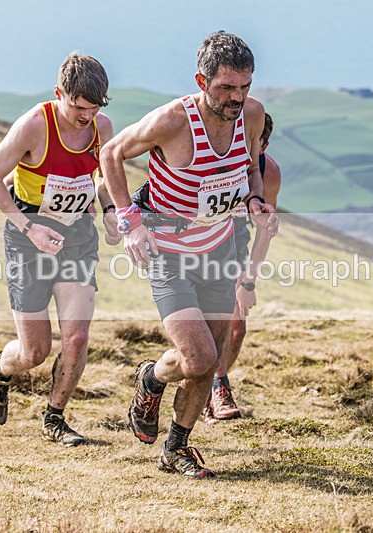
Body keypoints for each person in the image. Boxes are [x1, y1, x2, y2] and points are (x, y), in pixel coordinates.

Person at [101, 31, 276, 478]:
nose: (237, 97)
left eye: (245, 86)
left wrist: (255, 200)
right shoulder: (173, 122)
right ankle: (151, 379)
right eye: (226, 88)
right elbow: (111, 153)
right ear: (202, 80)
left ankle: (176, 447)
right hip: (169, 254)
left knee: (213, 360)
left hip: (217, 249)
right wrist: (130, 221)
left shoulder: (251, 115)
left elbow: (251, 163)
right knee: (196, 358)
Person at [0, 52, 119, 446]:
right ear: (59, 93)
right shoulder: (33, 126)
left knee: (75, 337)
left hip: (76, 237)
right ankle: (1, 370)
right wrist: (29, 227)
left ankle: (54, 418)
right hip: (27, 239)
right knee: (34, 352)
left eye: (93, 108)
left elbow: (104, 178)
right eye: (78, 107)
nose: (85, 117)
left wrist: (109, 211)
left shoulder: (101, 127)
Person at [204, 113, 282, 423]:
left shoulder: (268, 171)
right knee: (202, 330)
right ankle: (204, 385)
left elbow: (264, 230)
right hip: (191, 243)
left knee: (236, 329)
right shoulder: (213, 156)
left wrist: (248, 282)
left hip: (232, 244)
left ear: (263, 144)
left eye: (254, 144)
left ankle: (215, 385)